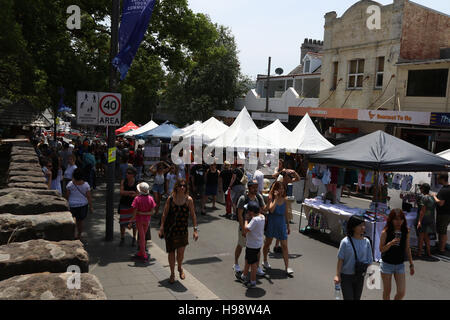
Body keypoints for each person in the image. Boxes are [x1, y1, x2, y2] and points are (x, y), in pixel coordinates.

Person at [159, 179, 199, 284]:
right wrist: (162, 227)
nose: (182, 187)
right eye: (180, 185)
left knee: (180, 254)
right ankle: (172, 274)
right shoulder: (171, 199)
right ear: (176, 187)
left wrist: (195, 230)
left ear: (186, 188)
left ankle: (180, 267)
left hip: (182, 230)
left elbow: (193, 215)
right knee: (171, 252)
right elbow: (164, 213)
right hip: (170, 229)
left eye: (184, 186)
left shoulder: (189, 200)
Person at [334, 215, 373, 300]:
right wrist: (337, 275)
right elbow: (340, 259)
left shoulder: (367, 242)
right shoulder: (345, 242)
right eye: (360, 225)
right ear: (353, 227)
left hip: (359, 277)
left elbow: (369, 261)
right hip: (346, 277)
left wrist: (372, 276)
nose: (363, 227)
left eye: (363, 225)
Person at [379, 209, 415, 300]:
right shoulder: (385, 232)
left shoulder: (405, 231)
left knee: (401, 292)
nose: (399, 222)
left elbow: (407, 248)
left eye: (401, 219)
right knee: (387, 291)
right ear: (391, 220)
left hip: (399, 265)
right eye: (396, 219)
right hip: (387, 264)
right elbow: (381, 249)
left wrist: (411, 264)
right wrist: (390, 243)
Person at [233, 180, 266, 277]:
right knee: (241, 245)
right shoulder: (243, 199)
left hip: (255, 228)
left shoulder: (259, 197)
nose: (256, 189)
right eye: (254, 187)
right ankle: (236, 263)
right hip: (245, 227)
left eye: (257, 187)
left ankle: (257, 266)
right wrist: (243, 228)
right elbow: (239, 214)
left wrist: (272, 197)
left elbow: (264, 208)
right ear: (249, 187)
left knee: (256, 249)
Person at [262, 181, 293, 276]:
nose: (282, 190)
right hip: (272, 222)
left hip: (281, 223)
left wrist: (288, 225)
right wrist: (275, 198)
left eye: (283, 188)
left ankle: (287, 267)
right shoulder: (271, 198)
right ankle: (265, 260)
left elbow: (286, 214)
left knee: (284, 246)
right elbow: (271, 210)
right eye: (280, 188)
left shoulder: (285, 199)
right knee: (268, 243)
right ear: (275, 189)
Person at [237, 203, 266, 288]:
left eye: (248, 211)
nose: (247, 212)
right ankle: (244, 276)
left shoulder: (255, 220)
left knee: (253, 263)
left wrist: (246, 220)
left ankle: (253, 281)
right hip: (257, 244)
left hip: (252, 245)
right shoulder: (262, 217)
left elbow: (246, 229)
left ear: (252, 212)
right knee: (248, 260)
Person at [128, 182, 156, 261]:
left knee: (142, 237)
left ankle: (143, 255)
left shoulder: (137, 199)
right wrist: (144, 213)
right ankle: (141, 252)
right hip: (147, 220)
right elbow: (152, 212)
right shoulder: (151, 198)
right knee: (142, 237)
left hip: (139, 220)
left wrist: (131, 220)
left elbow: (135, 212)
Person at [65, 168, 93, 241]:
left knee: (73, 220)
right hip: (82, 205)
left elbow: (67, 196)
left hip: (72, 205)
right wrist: (91, 207)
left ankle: (73, 234)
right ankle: (79, 235)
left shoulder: (70, 184)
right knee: (80, 221)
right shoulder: (86, 185)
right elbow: (89, 197)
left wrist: (66, 204)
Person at [119, 167, 138, 246]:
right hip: (124, 204)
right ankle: (122, 238)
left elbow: (137, 194)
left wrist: (128, 193)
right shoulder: (124, 181)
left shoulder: (137, 183)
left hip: (133, 206)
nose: (127, 174)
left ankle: (134, 238)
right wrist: (130, 192)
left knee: (134, 223)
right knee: (122, 222)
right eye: (127, 172)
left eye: (129, 173)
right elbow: (121, 192)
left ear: (133, 175)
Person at [417, 183, 436, 257]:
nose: (420, 189)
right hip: (430, 219)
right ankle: (428, 253)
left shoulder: (424, 198)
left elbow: (422, 211)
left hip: (424, 219)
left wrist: (419, 221)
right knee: (427, 237)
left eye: (421, 188)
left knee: (421, 237)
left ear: (423, 189)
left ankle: (419, 253)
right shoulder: (432, 198)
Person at [433, 173, 450, 254]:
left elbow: (440, 203)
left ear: (442, 179)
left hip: (443, 214)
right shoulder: (447, 188)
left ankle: (441, 249)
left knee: (442, 232)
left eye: (438, 178)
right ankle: (441, 246)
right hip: (447, 213)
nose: (437, 180)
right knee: (442, 231)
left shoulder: (444, 190)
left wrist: (434, 197)